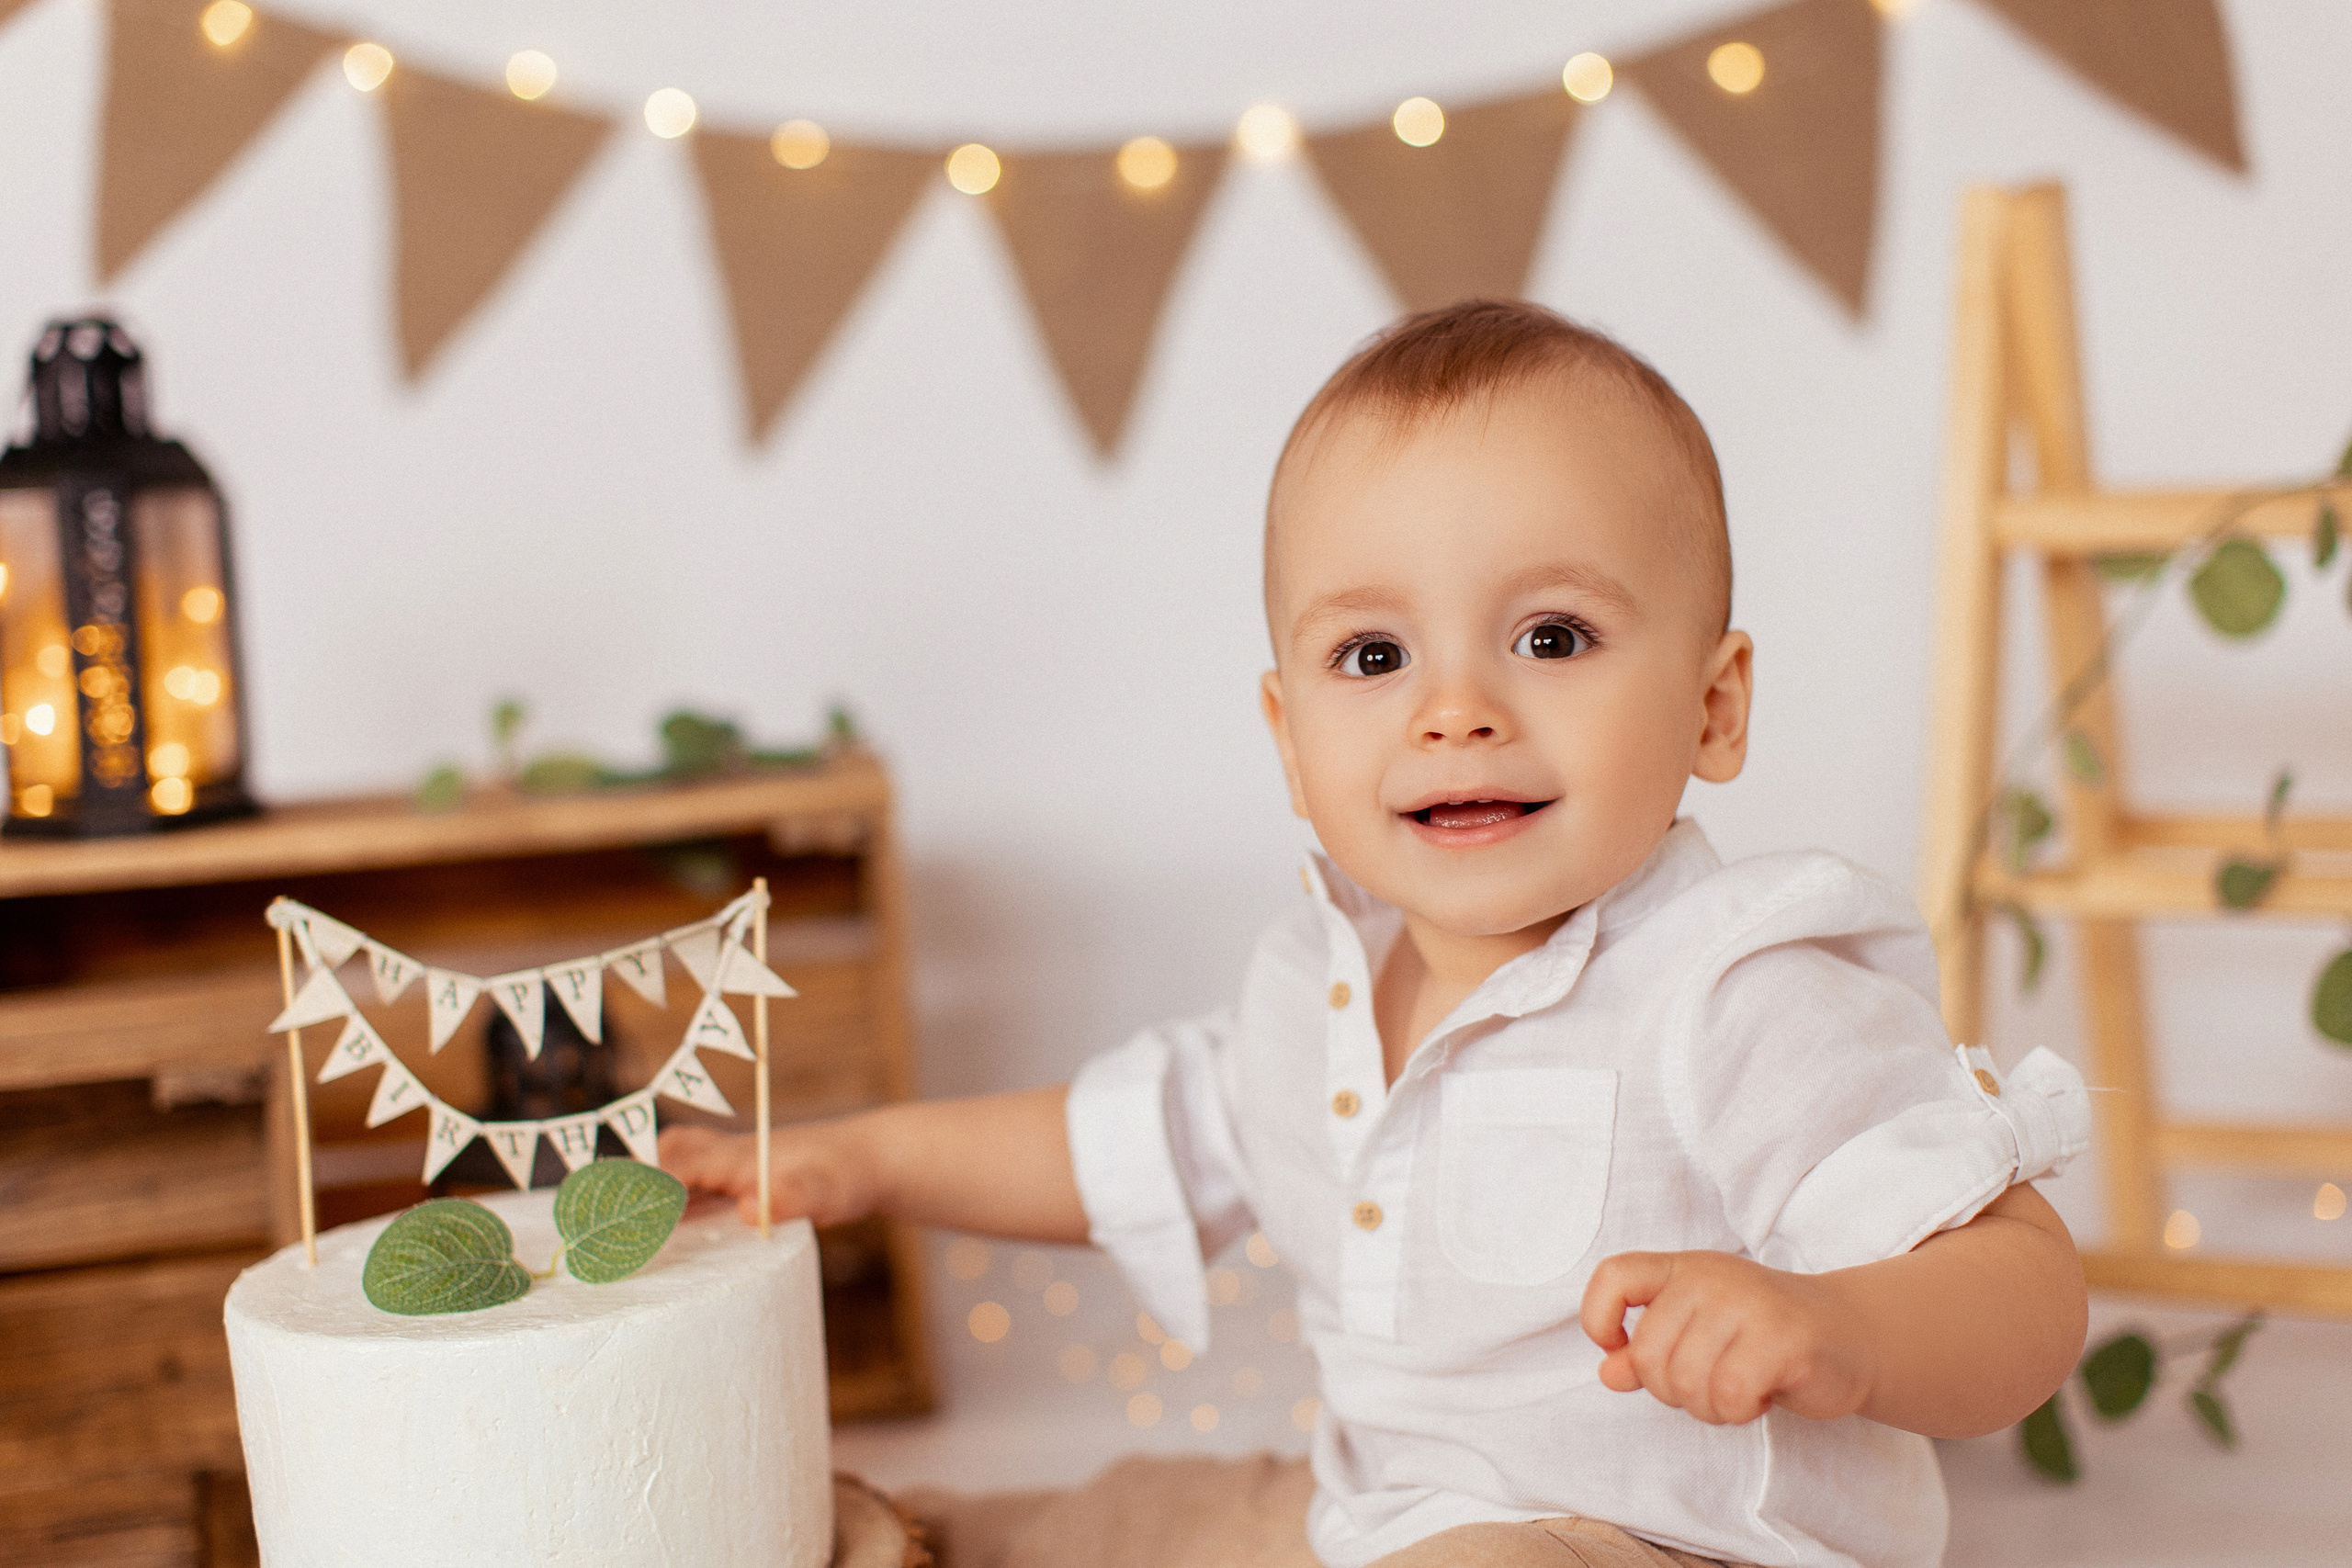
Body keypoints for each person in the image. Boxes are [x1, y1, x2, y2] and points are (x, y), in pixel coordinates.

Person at [662, 299, 2092, 1568]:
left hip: (1657, 1547)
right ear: (1290, 740)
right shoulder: (1314, 989)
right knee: (1110, 1521)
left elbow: (2025, 1290)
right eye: (1373, 656)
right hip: (1376, 1520)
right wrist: (864, 1159)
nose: (1453, 708)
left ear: (1714, 708)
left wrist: (1840, 1328)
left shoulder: (1736, 987)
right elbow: (1112, 1144)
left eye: (1551, 637)